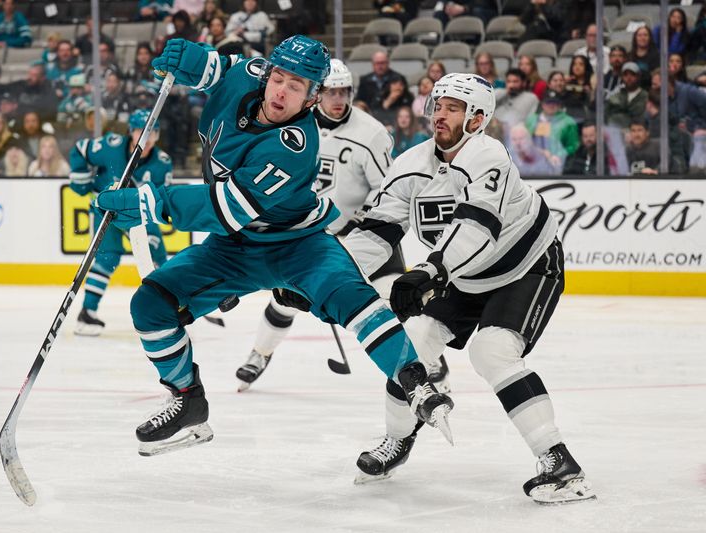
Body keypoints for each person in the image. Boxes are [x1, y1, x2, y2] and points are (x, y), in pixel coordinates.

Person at [95, 35, 454, 457]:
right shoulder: (250, 75)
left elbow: (227, 207)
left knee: (356, 299)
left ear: (311, 98)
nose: (282, 91)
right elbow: (218, 69)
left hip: (298, 246)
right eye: (279, 78)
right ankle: (186, 397)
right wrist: (189, 61)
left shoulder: (295, 147)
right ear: (267, 73)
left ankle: (414, 381)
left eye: (297, 86)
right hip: (234, 247)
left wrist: (148, 202)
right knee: (150, 304)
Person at [342, 73, 595, 504]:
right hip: (462, 274)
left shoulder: (488, 155)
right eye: (437, 105)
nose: (439, 114)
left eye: (453, 108)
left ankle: (559, 461)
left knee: (492, 351)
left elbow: (478, 228)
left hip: (525, 266)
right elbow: (376, 233)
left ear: (478, 118)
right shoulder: (411, 165)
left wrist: (430, 270)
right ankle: (397, 441)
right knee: (413, 344)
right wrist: (329, 274)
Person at [236, 59, 446, 391]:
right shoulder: (293, 124)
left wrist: (360, 221)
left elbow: (388, 188)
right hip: (307, 234)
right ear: (317, 93)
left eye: (344, 91)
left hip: (366, 233)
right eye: (331, 91)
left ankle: (430, 357)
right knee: (286, 297)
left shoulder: (371, 133)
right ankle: (259, 353)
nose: (338, 99)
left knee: (396, 293)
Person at [69, 109, 174, 335]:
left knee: (158, 257)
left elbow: (161, 201)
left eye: (153, 132)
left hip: (138, 216)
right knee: (107, 258)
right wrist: (80, 181)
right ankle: (87, 312)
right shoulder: (111, 146)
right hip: (107, 211)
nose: (147, 138)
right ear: (131, 132)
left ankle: (170, 308)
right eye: (140, 132)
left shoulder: (162, 163)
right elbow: (80, 150)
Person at [525, 89, 580, 166]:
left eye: (555, 102)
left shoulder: (568, 122)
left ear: (559, 105)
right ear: (542, 104)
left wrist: (559, 155)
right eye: (548, 102)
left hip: (557, 163)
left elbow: (573, 146)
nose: (551, 105)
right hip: (532, 162)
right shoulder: (531, 120)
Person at [605, 62, 648, 130]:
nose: (629, 78)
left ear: (638, 76)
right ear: (622, 77)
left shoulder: (645, 97)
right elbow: (606, 115)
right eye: (625, 75)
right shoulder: (616, 96)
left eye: (632, 74)